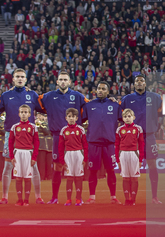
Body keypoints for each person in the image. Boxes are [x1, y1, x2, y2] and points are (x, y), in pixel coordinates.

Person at [38, 71, 88, 204]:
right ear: (57, 82)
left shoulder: (78, 96)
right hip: (57, 136)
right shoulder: (48, 96)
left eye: (65, 79)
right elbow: (34, 101)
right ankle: (54, 197)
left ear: (70, 82)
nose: (63, 82)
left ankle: (78, 198)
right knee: (58, 167)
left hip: (74, 137)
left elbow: (90, 106)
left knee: (77, 169)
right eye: (61, 79)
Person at [0, 69, 44, 204]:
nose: (20, 79)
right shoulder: (5, 95)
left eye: (22, 77)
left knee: (33, 167)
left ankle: (38, 197)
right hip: (10, 135)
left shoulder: (33, 95)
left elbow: (45, 108)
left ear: (26, 79)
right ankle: (4, 197)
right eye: (17, 76)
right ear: (12, 79)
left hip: (29, 135)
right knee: (8, 166)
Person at [120, 75, 162, 203]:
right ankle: (131, 198)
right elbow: (121, 114)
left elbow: (161, 113)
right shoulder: (127, 99)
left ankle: (154, 196)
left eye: (141, 81)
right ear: (133, 84)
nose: (139, 83)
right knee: (132, 168)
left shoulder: (155, 97)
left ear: (145, 83)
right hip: (133, 137)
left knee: (152, 165)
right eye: (137, 81)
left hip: (149, 136)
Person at [82, 81, 121, 204]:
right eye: (98, 88)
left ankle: (113, 197)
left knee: (110, 170)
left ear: (108, 91)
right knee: (93, 170)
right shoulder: (89, 105)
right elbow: (80, 121)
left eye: (103, 89)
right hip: (93, 143)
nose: (100, 90)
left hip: (109, 143)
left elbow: (123, 119)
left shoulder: (115, 105)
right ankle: (92, 197)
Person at [9, 105, 39, 206]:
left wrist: (34, 157)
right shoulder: (15, 127)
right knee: (18, 178)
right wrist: (12, 157)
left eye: (25, 112)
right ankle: (19, 199)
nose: (23, 114)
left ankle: (26, 199)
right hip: (17, 153)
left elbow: (37, 143)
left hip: (28, 153)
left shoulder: (33, 127)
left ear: (29, 114)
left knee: (27, 178)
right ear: (19, 114)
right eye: (21, 112)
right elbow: (10, 142)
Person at [58, 108, 88, 206]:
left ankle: (78, 199)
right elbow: (60, 147)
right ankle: (68, 199)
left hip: (78, 154)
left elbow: (85, 145)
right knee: (69, 178)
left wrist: (85, 158)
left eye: (73, 117)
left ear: (76, 118)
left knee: (78, 178)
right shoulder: (63, 130)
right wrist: (62, 161)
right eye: (69, 116)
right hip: (68, 155)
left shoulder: (80, 129)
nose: (71, 118)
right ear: (66, 118)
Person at [115, 108, 144, 206]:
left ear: (133, 117)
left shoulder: (138, 129)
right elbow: (116, 145)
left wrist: (141, 159)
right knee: (126, 178)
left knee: (134, 178)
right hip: (123, 154)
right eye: (125, 116)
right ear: (122, 118)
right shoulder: (119, 129)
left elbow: (141, 144)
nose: (127, 118)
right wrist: (117, 160)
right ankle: (127, 199)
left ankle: (133, 199)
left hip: (134, 154)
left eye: (129, 116)